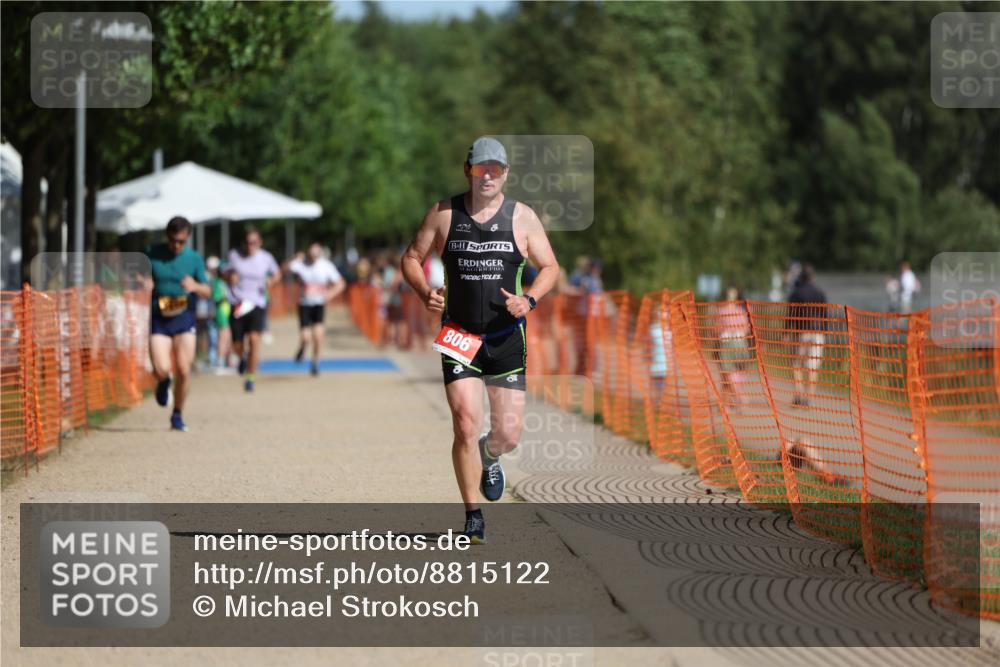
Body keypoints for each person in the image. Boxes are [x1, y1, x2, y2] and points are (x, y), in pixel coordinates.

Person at [401, 137, 560, 543]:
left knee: (508, 435)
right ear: (468, 170)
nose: (487, 174)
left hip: (506, 337)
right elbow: (411, 258)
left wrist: (529, 299)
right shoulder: (443, 214)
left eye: (495, 168)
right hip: (459, 333)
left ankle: (491, 456)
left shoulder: (522, 217)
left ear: (505, 173)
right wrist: (424, 292)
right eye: (479, 167)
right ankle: (473, 515)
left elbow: (550, 268)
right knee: (464, 423)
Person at [144, 217, 211, 431]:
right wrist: (143, 283)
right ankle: (163, 383)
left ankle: (177, 413)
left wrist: (195, 286)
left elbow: (209, 290)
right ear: (167, 237)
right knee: (162, 368)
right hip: (160, 318)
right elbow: (134, 277)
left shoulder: (194, 259)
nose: (176, 246)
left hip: (184, 318)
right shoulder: (151, 254)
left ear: (187, 238)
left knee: (183, 369)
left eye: (181, 242)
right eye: (173, 241)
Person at [224, 227, 281, 393]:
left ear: (260, 243)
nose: (251, 245)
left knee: (255, 339)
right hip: (238, 303)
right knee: (237, 344)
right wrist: (229, 277)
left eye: (254, 242)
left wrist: (271, 281)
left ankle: (250, 377)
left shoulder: (266, 258)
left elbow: (276, 274)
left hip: (257, 303)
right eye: (248, 242)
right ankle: (241, 357)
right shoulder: (234, 256)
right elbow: (223, 272)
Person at [289, 242, 346, 375]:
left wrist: (329, 294)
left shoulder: (326, 266)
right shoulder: (301, 264)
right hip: (304, 304)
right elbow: (286, 268)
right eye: (311, 255)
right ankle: (302, 348)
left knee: (318, 336)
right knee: (306, 337)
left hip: (318, 305)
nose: (313, 257)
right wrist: (295, 258)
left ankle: (315, 362)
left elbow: (341, 284)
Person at [786, 264, 828, 407]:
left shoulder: (796, 293)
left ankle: (799, 394)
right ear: (813, 278)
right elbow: (825, 315)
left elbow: (790, 314)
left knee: (796, 364)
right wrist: (824, 333)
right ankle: (809, 398)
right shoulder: (821, 294)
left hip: (802, 332)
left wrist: (786, 332)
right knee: (812, 366)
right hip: (818, 333)